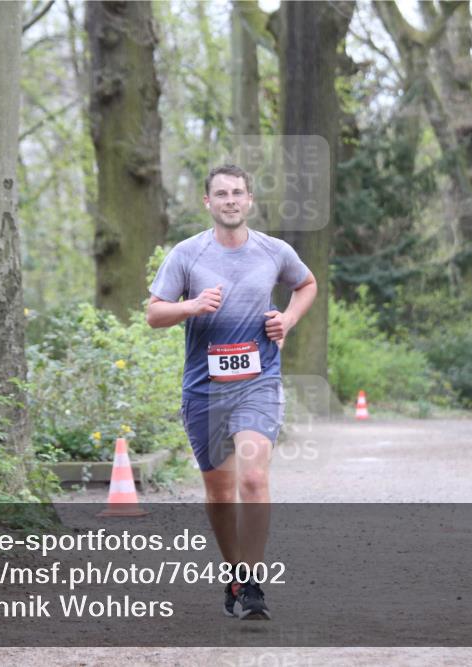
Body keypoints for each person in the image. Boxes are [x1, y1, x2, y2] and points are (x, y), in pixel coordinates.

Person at [146, 164, 317, 620]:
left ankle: (254, 584)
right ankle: (235, 576)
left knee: (254, 479)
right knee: (220, 494)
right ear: (208, 202)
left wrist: (289, 320)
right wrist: (192, 305)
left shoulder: (274, 251)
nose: (230, 200)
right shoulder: (186, 255)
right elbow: (153, 314)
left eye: (237, 193)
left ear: (250, 200)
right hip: (205, 389)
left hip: (257, 383)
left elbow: (306, 284)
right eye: (220, 193)